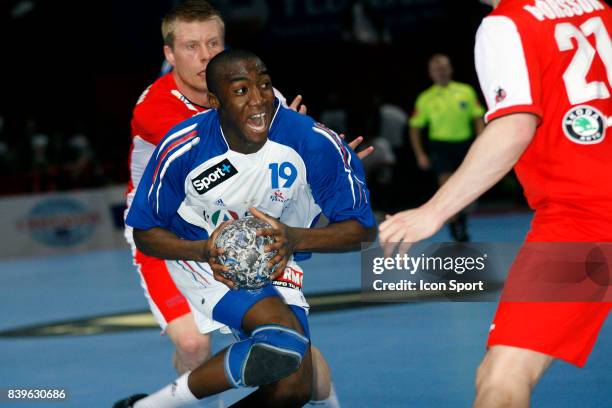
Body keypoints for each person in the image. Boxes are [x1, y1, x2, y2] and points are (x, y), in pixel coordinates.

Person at [125, 1, 368, 405]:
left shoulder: (258, 95)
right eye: (190, 46)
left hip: (242, 230)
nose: (205, 56)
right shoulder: (158, 110)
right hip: (171, 234)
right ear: (169, 54)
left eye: (213, 42)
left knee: (300, 363)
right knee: (192, 344)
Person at [381, 0, 611, 406]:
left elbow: (515, 125)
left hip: (585, 220)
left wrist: (432, 211)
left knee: (503, 377)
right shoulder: (599, 6)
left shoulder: (507, 24)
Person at [408, 54, 485, 241]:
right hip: (440, 147)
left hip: (465, 145)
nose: (441, 72)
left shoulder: (466, 91)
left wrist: (482, 143)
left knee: (465, 189)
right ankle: (454, 224)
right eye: (436, 69)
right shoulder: (425, 98)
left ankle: (461, 219)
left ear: (450, 69)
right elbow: (415, 129)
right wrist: (420, 155)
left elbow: (478, 118)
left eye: (443, 68)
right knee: (447, 187)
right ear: (430, 73)